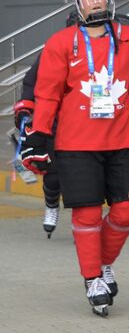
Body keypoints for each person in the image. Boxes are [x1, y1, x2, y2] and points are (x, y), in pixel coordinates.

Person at [21, 0, 129, 316]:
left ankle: (103, 260)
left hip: (123, 138)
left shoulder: (128, 38)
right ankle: (92, 276)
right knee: (88, 212)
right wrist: (38, 134)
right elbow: (47, 95)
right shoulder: (62, 42)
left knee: (128, 209)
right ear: (77, 3)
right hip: (76, 143)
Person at [14, 57, 61, 238]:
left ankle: (84, 224)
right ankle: (51, 204)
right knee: (53, 175)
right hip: (53, 122)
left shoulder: (105, 49)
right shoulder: (53, 50)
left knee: (86, 178)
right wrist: (24, 108)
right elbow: (30, 82)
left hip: (90, 121)